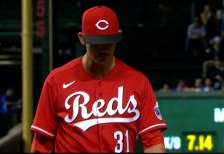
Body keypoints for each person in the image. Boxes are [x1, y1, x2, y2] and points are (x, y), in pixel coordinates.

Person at [31, 5, 167, 153]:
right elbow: (41, 144)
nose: (103, 48)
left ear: (119, 36)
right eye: (96, 42)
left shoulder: (138, 82)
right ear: (82, 38)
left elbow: (153, 140)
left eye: (108, 41)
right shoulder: (56, 81)